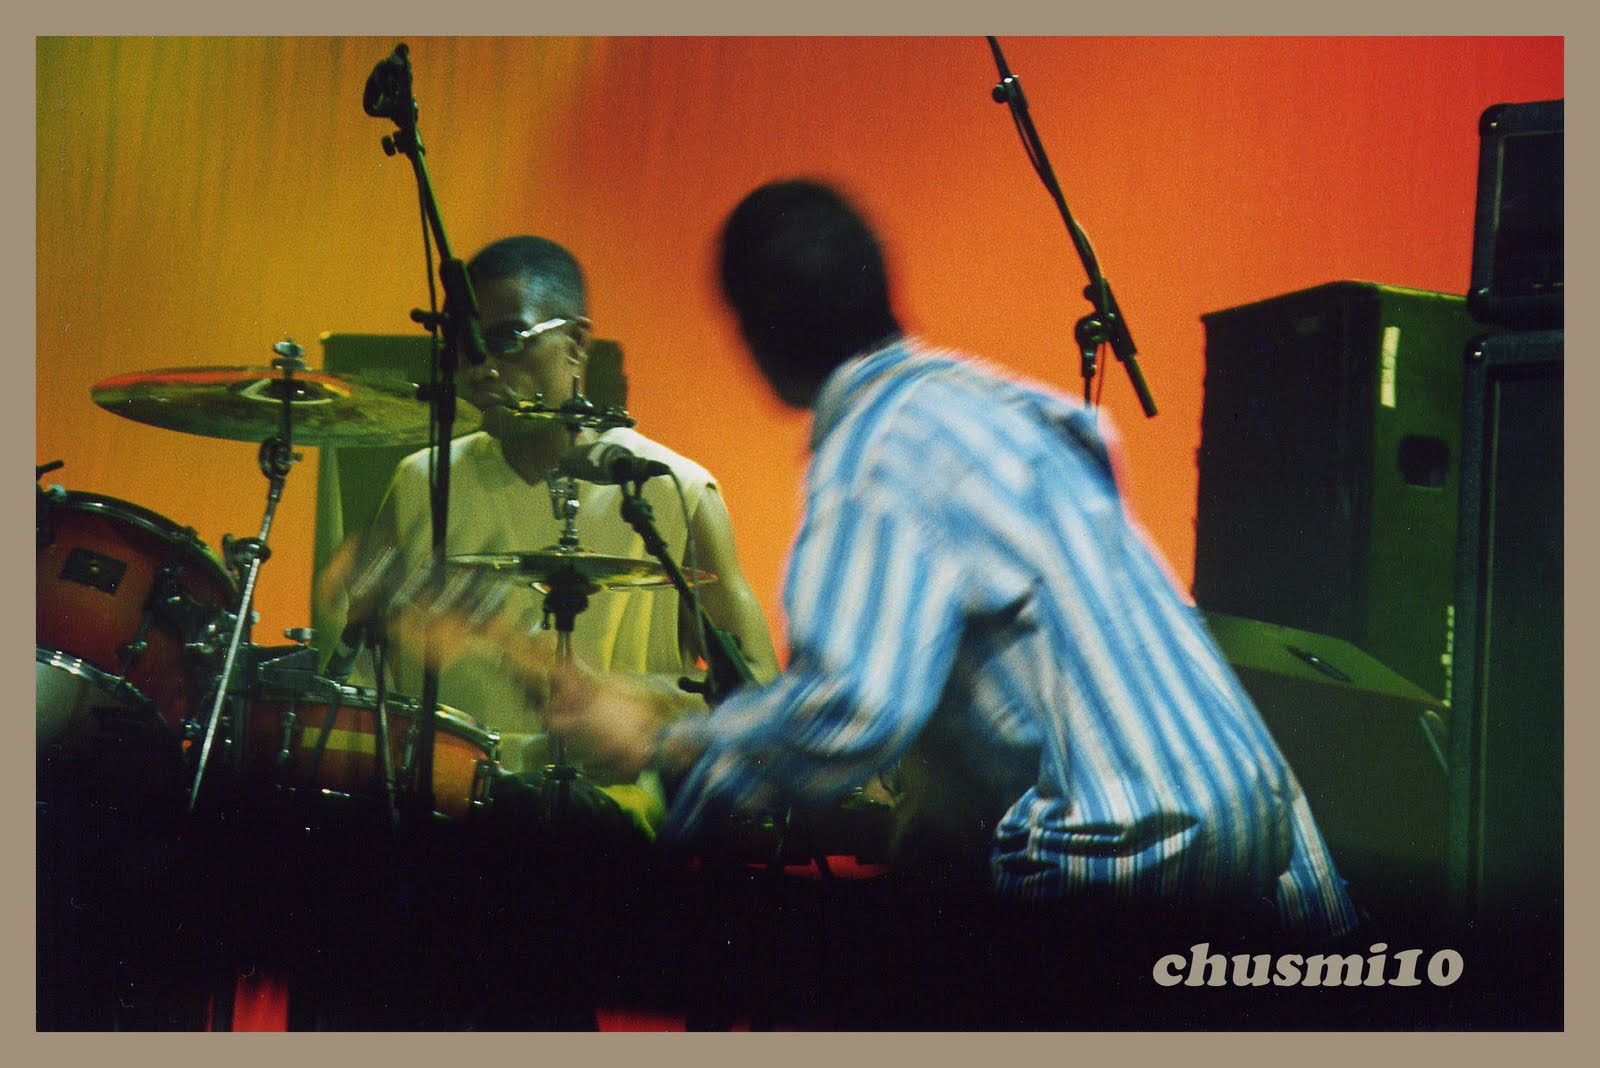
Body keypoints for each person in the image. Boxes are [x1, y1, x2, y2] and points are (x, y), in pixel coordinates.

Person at [538, 180, 1360, 993]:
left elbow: (851, 707)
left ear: (757, 336)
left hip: (1115, 858)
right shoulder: (1007, 408)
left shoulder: (875, 451)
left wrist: (669, 747)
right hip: (1263, 823)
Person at [325, 234, 779, 836]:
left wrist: (635, 703)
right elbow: (361, 669)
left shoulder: (675, 490)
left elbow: (758, 686)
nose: (481, 368)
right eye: (465, 347)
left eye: (508, 340)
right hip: (446, 806)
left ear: (576, 344)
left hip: (611, 820)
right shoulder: (420, 482)